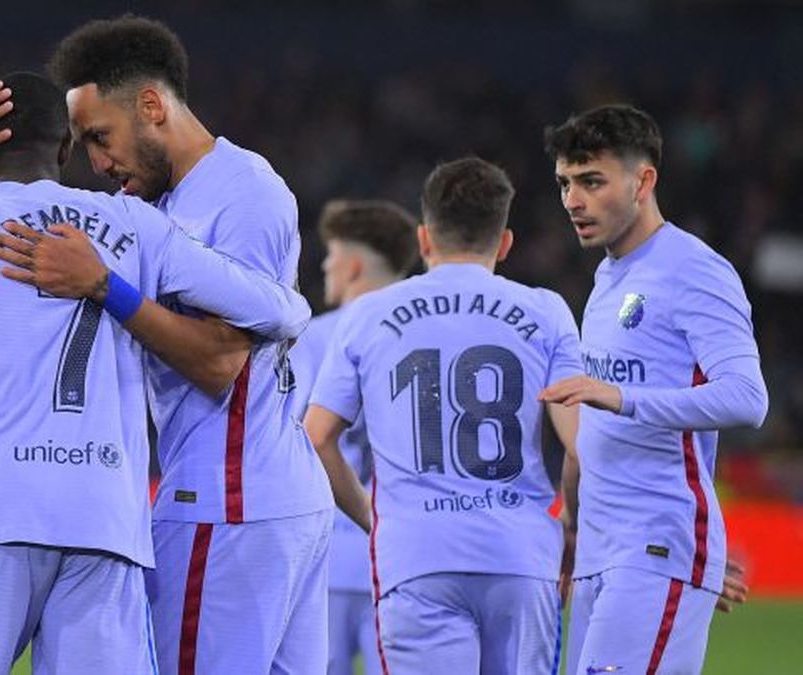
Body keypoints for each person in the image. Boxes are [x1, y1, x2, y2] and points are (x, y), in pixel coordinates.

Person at [0, 72, 311, 675]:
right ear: (65, 150)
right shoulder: (133, 226)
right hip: (106, 523)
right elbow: (275, 308)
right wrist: (298, 306)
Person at [304, 157, 582, 674]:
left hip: (416, 556)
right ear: (504, 243)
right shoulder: (547, 311)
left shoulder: (369, 314)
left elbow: (317, 437)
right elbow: (580, 447)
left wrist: (374, 517)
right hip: (519, 555)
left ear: (425, 238)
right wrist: (570, 526)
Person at [540, 104, 768, 675]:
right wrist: (571, 522)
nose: (573, 200)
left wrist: (623, 399)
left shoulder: (694, 270)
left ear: (643, 181)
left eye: (592, 182)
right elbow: (595, 434)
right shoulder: (607, 278)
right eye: (566, 183)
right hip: (601, 552)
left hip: (653, 547)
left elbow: (747, 398)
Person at [287, 199, 417, 675]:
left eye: (332, 253)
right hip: (408, 554)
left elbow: (297, 436)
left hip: (328, 552)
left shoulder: (313, 337)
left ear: (355, 264)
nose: (325, 264)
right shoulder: (425, 334)